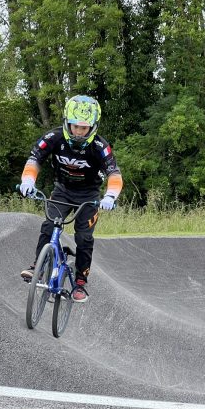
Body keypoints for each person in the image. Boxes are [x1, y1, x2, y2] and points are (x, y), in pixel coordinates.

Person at [18, 95, 123, 303]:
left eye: (84, 128)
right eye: (75, 126)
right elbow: (35, 158)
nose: (78, 132)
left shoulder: (100, 146)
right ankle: (38, 267)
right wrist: (28, 181)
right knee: (49, 226)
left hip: (89, 197)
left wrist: (110, 196)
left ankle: (81, 283)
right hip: (62, 190)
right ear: (67, 122)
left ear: (93, 127)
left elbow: (114, 174)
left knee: (83, 237)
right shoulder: (54, 137)